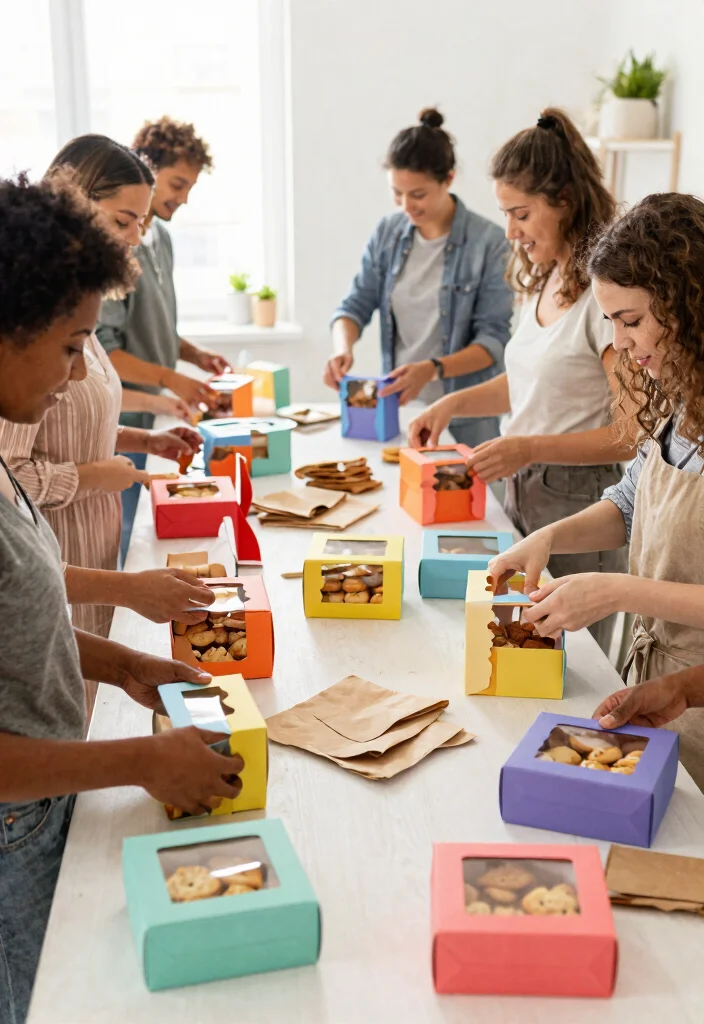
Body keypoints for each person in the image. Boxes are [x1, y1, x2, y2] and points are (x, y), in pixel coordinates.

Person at [0, 174, 244, 1024]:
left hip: (41, 806)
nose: (75, 379)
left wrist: (122, 662)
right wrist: (136, 761)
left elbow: (20, 609)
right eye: (70, 347)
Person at [488, 192, 704, 789]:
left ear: (690, 304)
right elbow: (631, 502)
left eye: (632, 321)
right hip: (671, 696)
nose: (625, 344)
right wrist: (548, 538)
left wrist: (612, 590)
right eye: (611, 322)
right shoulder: (682, 400)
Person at [409, 109, 636, 651]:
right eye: (505, 214)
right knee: (519, 652)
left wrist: (528, 446)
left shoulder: (602, 300)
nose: (510, 231)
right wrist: (452, 404)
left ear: (565, 201)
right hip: (524, 492)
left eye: (521, 213)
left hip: (580, 504)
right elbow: (531, 382)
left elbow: (630, 434)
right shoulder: (546, 278)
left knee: (568, 666)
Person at [0, 137, 203, 676]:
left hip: (89, 542)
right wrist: (100, 475)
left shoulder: (75, 312)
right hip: (66, 542)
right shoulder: (37, 325)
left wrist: (139, 441)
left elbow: (68, 423)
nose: (137, 237)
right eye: (123, 221)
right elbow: (18, 473)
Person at [325, 108, 513, 447]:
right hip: (399, 413)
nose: (406, 205)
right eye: (397, 192)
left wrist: (433, 368)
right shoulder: (388, 233)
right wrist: (342, 348)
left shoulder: (489, 243)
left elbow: (493, 342)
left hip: (465, 421)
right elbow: (355, 305)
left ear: (449, 179)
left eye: (418, 194)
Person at [96, 116, 229, 556]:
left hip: (157, 418)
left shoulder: (162, 239)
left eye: (190, 188)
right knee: (125, 543)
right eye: (177, 184)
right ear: (146, 173)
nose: (183, 199)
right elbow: (107, 351)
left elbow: (157, 327)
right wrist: (172, 380)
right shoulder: (118, 247)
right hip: (122, 420)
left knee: (147, 536)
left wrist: (192, 355)